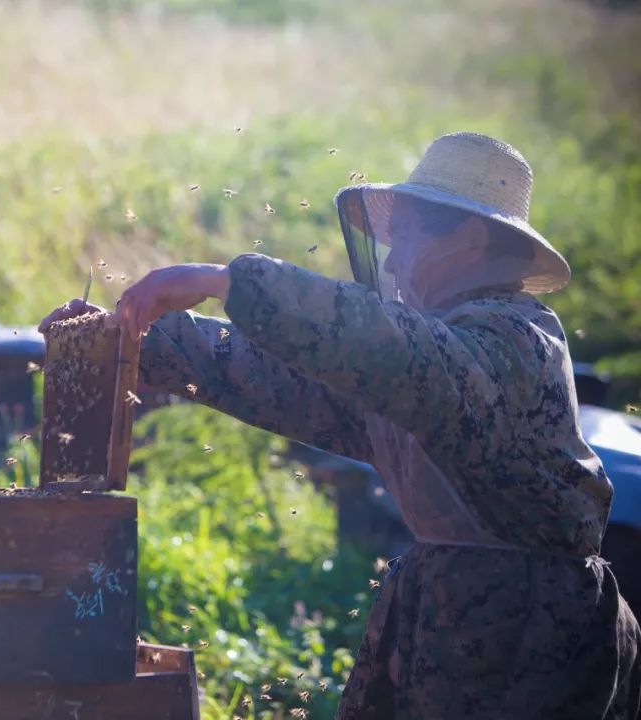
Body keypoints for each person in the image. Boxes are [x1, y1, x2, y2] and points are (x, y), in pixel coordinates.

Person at [39, 132, 641, 718]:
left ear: (468, 240)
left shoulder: (513, 341)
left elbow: (391, 347)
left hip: (532, 641)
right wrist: (136, 340)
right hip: (450, 620)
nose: (395, 256)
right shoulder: (431, 355)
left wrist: (228, 281)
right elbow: (286, 381)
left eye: (406, 235)